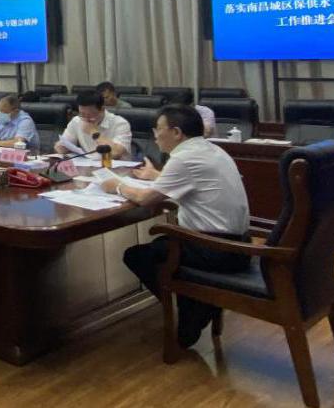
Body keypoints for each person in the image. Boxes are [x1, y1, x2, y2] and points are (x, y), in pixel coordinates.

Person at [100, 105, 250, 348]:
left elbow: (145, 199)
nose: (155, 135)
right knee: (160, 247)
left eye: (158, 129)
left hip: (214, 250)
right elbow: (193, 182)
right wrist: (155, 176)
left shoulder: (184, 158)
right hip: (238, 245)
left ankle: (191, 311)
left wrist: (115, 186)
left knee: (138, 256)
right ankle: (197, 303)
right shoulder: (212, 149)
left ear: (177, 132)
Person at [55, 90, 132, 158]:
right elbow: (63, 144)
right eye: (82, 114)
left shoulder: (120, 123)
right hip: (88, 165)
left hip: (117, 167)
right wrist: (62, 147)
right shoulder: (77, 120)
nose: (86, 119)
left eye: (90, 115)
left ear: (102, 109)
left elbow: (116, 153)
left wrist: (93, 132)